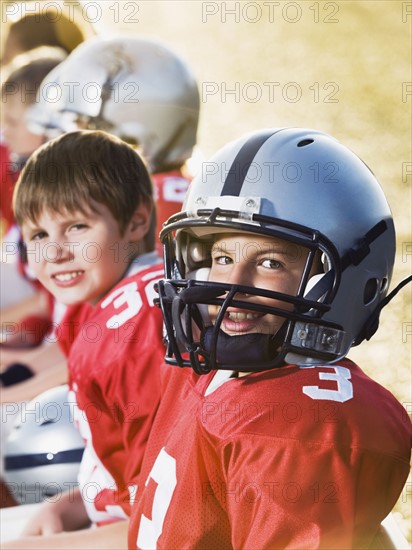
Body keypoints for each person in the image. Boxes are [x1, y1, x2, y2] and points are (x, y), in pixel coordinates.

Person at [127, 128, 412, 549]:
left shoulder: (303, 426)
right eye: (222, 258)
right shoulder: (212, 373)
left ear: (342, 286)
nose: (231, 287)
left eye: (270, 262)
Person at [3, 129, 165, 547]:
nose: (54, 253)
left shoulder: (140, 326)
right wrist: (73, 504)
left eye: (76, 226)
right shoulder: (104, 302)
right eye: (38, 235)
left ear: (137, 221)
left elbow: (175, 520)